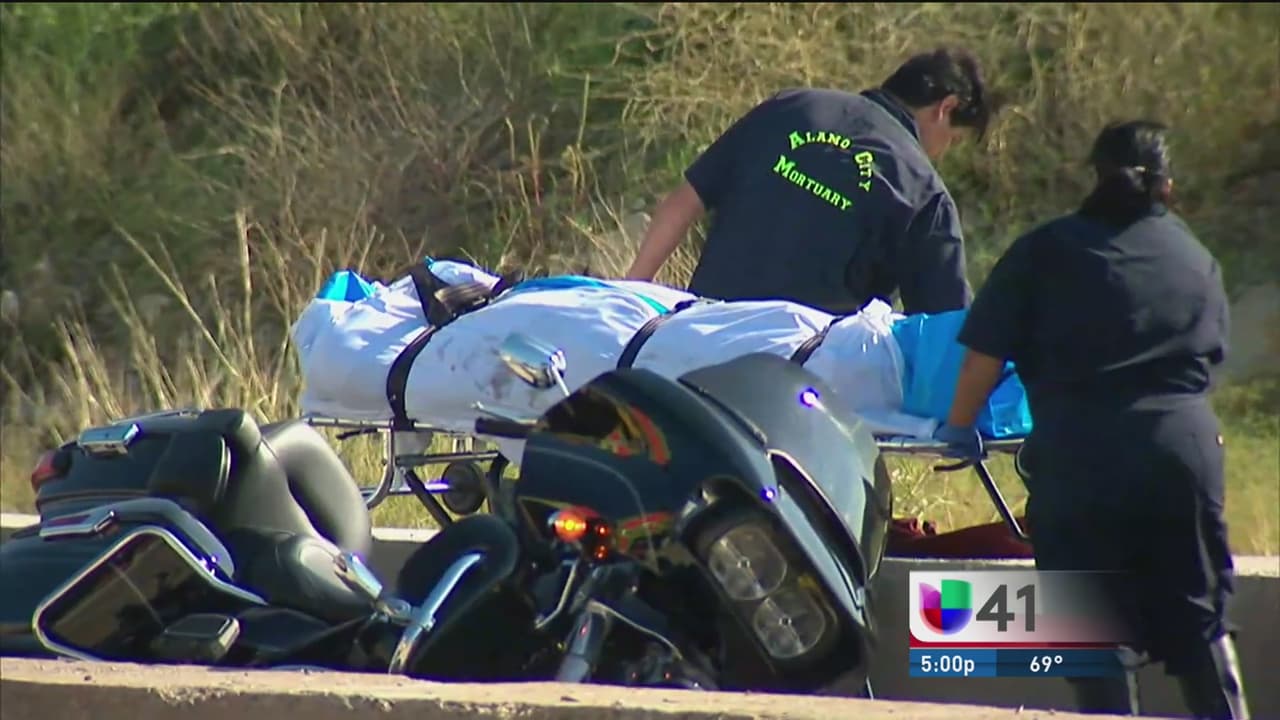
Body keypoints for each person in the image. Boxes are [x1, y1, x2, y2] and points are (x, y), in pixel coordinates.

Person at [933, 120, 1250, 719]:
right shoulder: (1195, 258)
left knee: (1094, 633)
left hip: (1080, 459)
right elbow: (1208, 362)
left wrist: (958, 426)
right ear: (1167, 185)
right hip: (1179, 453)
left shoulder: (1044, 250)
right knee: (1200, 620)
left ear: (1094, 176)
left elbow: (982, 358)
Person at [623, 47, 994, 316]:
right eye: (953, 140)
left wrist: (631, 294)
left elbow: (684, 201)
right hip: (800, 378)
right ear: (945, 108)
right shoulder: (924, 192)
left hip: (699, 332)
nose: (941, 153)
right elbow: (944, 330)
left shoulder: (789, 106)